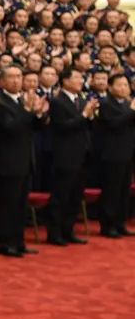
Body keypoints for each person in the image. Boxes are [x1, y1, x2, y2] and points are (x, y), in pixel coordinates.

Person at [0, 65, 45, 258]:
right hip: (7, 162)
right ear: (2, 81)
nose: (16, 80)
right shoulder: (0, 102)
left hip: (25, 160)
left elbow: (34, 127)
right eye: (11, 77)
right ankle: (6, 242)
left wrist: (38, 113)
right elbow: (9, 127)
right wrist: (28, 111)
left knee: (21, 205)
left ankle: (19, 241)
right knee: (8, 205)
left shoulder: (22, 100)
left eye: (19, 76)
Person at [46, 68, 96, 246]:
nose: (81, 81)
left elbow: (86, 126)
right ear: (65, 81)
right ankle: (55, 233)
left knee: (75, 196)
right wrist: (84, 115)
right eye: (77, 78)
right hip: (65, 155)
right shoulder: (57, 101)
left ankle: (68, 230)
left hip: (82, 154)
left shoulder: (81, 100)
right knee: (61, 195)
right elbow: (63, 126)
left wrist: (89, 117)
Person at [96, 73, 134, 238]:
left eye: (126, 85)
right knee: (111, 191)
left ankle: (120, 223)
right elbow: (114, 124)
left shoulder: (126, 104)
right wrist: (132, 111)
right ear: (110, 87)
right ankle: (108, 225)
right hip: (111, 154)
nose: (123, 88)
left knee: (124, 191)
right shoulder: (106, 103)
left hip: (128, 153)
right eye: (119, 85)